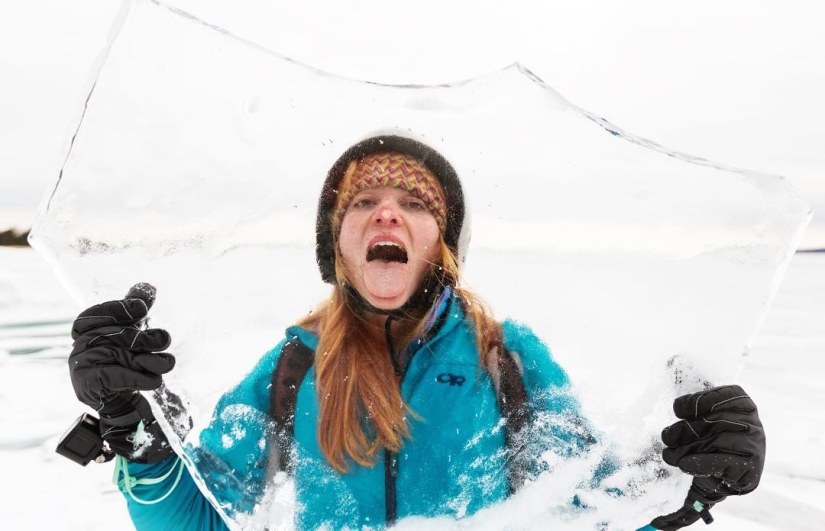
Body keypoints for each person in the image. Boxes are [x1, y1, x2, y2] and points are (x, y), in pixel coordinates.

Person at [68, 135, 766, 530]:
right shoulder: (292, 366)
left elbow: (592, 511)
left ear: (444, 241)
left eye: (413, 204)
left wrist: (688, 482)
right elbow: (200, 522)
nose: (386, 218)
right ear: (335, 242)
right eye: (363, 203)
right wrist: (135, 427)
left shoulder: (509, 360)